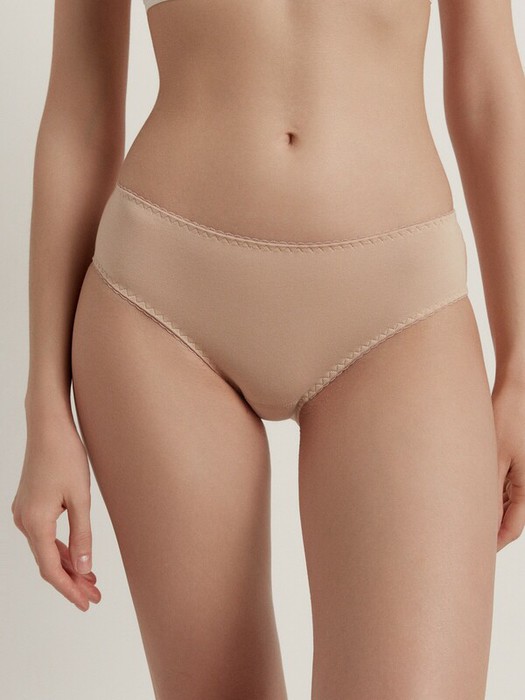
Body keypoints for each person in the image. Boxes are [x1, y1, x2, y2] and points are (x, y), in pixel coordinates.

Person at [10, 0, 525, 697]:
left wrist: (520, 366)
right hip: (162, 307)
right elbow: (82, 111)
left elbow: (488, 85)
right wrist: (45, 405)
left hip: (401, 309)